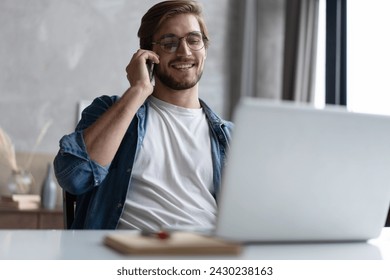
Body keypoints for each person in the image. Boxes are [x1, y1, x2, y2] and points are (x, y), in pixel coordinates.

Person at [53, 0, 233, 230]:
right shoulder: (109, 111)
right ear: (149, 54)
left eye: (193, 40)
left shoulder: (229, 137)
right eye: (169, 42)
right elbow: (74, 176)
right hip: (126, 259)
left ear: (205, 50)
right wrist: (137, 91)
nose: (184, 51)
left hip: (206, 258)